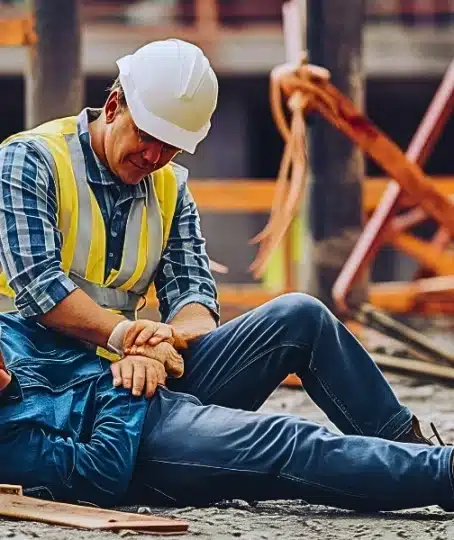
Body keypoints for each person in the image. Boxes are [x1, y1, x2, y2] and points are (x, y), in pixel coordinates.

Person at [0, 39, 452, 513]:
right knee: (284, 442)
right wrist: (130, 339)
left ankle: (413, 449)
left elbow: (194, 295)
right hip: (57, 389)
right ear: (114, 106)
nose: (155, 156)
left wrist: (165, 347)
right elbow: (40, 287)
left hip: (140, 379)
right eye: (147, 137)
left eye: (171, 146)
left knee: (301, 316)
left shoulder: (169, 186)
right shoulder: (32, 161)